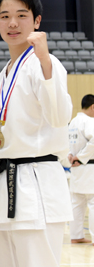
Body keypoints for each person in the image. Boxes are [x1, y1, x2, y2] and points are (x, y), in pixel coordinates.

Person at [0, 0, 73, 267]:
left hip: (36, 184)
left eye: (21, 15)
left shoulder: (44, 64)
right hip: (3, 183)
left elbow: (60, 117)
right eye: (4, 16)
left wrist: (45, 59)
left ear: (37, 21)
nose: (12, 23)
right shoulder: (5, 72)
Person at [68, 94, 94, 244]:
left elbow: (66, 143)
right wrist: (81, 157)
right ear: (93, 107)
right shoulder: (89, 121)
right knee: (92, 203)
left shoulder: (73, 122)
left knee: (77, 203)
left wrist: (71, 156)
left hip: (76, 168)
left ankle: (76, 236)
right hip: (88, 167)